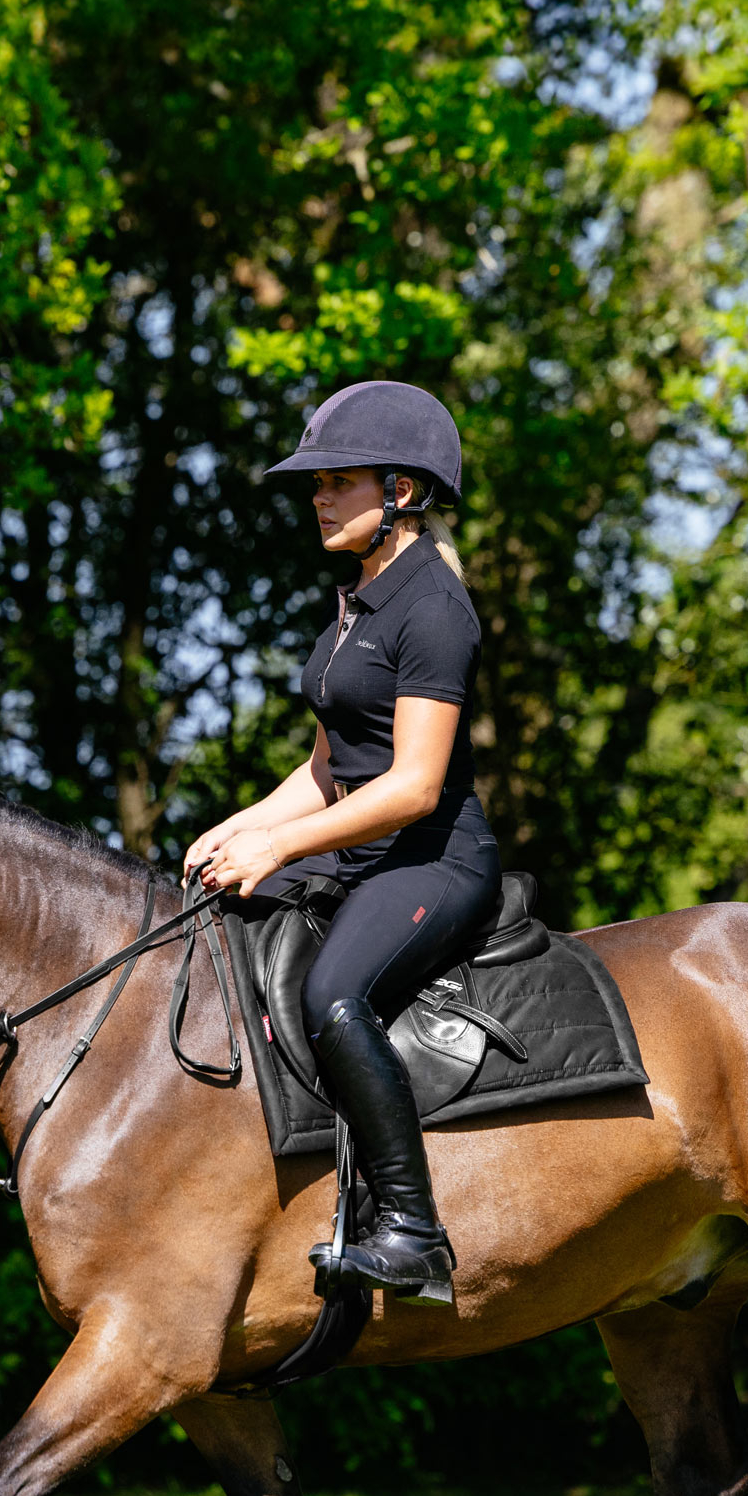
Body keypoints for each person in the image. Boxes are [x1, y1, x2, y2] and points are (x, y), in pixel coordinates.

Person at [185, 380, 501, 1301]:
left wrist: (281, 849)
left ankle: (412, 1230)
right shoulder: (358, 598)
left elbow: (411, 785)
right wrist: (241, 829)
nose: (318, 496)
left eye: (339, 479)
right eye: (316, 483)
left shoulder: (433, 607)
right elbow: (330, 766)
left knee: (332, 992)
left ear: (400, 490)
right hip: (359, 845)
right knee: (225, 922)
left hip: (433, 859)